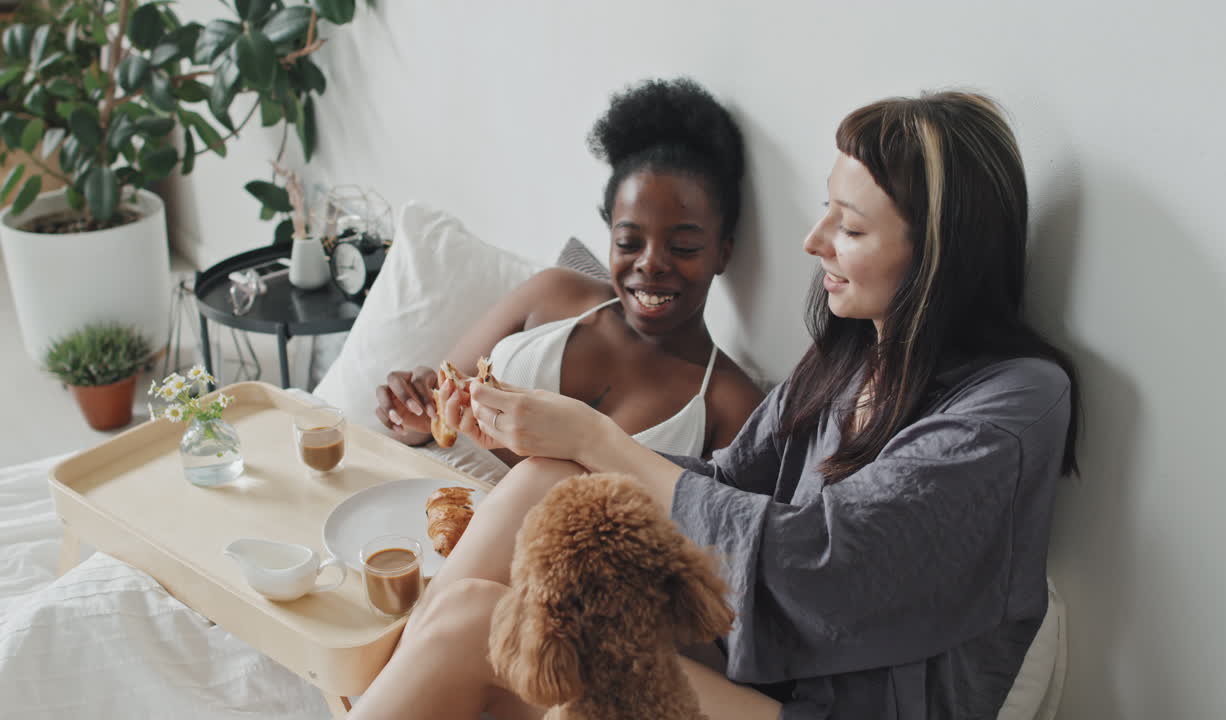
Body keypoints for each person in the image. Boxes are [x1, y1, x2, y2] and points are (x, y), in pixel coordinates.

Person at [351, 91, 1082, 720]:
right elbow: (728, 480)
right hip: (764, 660)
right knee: (544, 485)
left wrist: (601, 440)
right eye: (826, 210)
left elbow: (824, 568)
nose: (813, 240)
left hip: (834, 703)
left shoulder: (1015, 405)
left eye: (850, 228)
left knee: (478, 623)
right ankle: (392, 692)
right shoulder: (851, 354)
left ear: (938, 255)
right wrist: (561, 441)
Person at [374, 78, 763, 465]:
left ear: (722, 253)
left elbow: (722, 523)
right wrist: (411, 407)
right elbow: (430, 419)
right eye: (628, 242)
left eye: (682, 248)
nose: (650, 263)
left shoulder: (730, 405)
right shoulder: (554, 294)